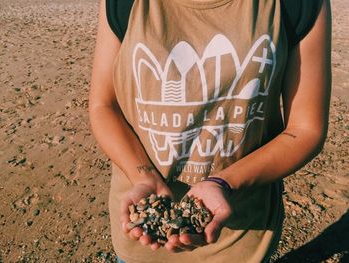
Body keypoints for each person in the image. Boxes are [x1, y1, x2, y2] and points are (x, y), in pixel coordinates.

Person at [89, 0, 332, 262]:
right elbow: (104, 106)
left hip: (240, 239)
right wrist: (144, 176)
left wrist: (223, 183)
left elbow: (305, 130)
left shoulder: (299, 4)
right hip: (142, 236)